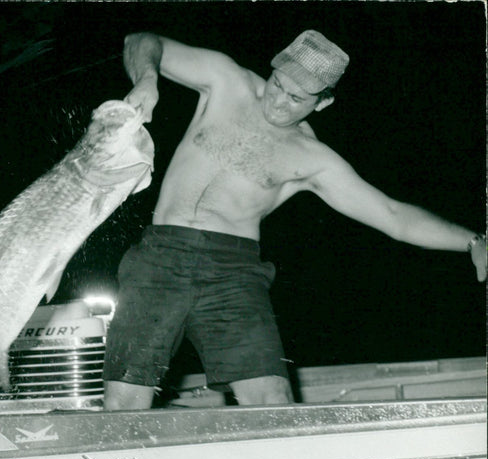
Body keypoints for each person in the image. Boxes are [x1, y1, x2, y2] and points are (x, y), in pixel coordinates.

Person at [102, 30, 486, 410]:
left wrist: (473, 241)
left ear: (323, 103)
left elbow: (394, 216)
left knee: (272, 401)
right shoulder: (226, 81)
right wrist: (148, 80)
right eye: (277, 84)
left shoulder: (313, 158)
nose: (278, 101)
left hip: (232, 272)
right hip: (160, 256)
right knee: (124, 403)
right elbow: (139, 41)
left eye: (296, 98)